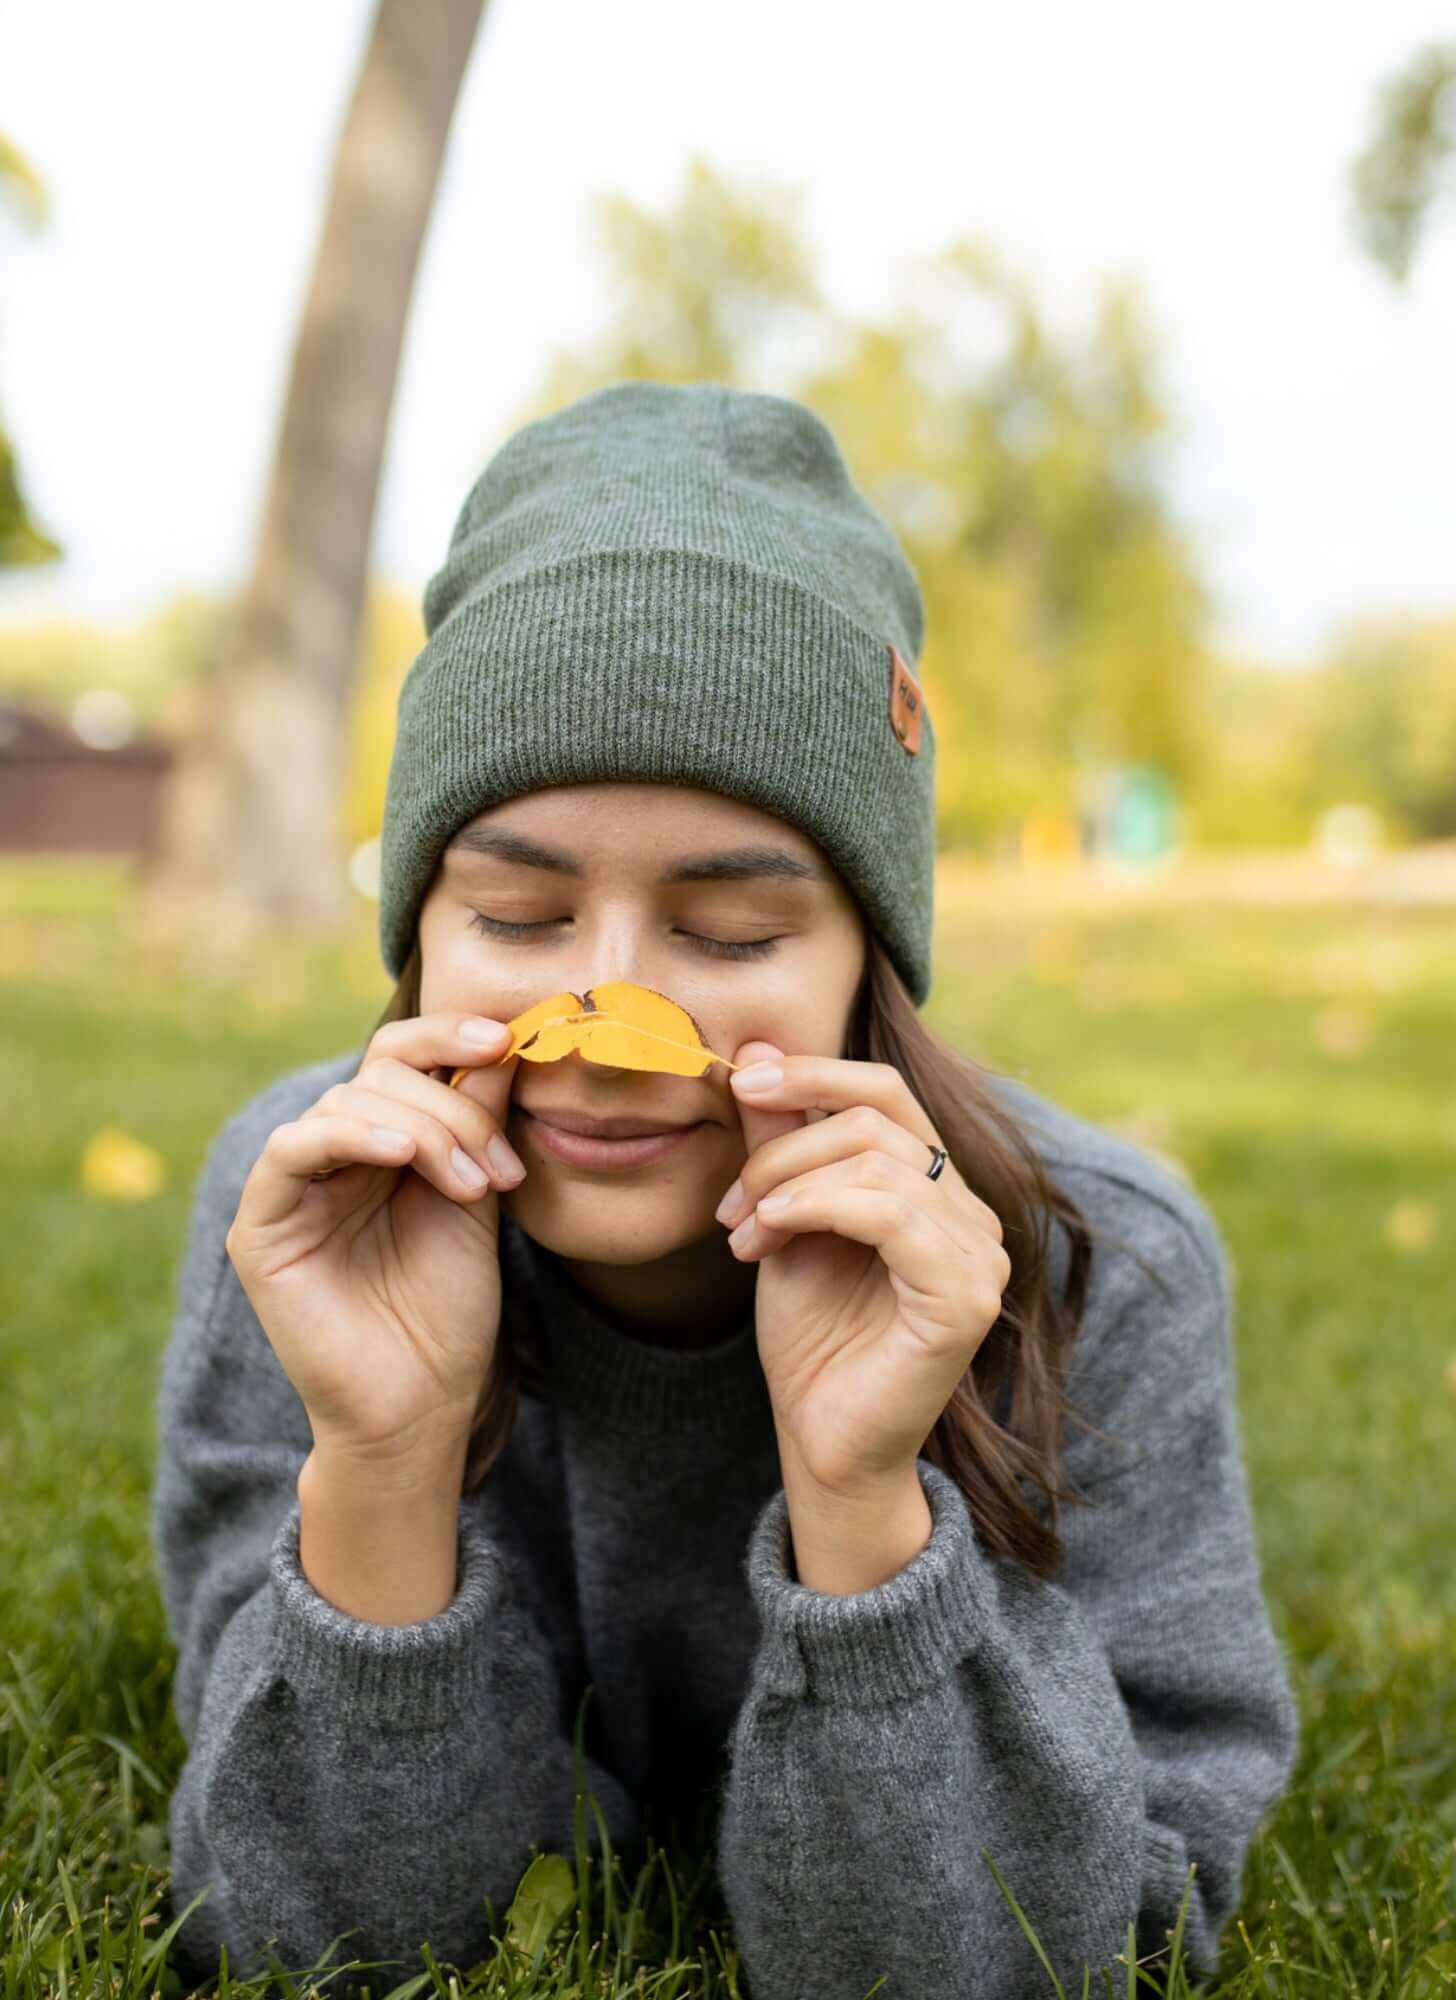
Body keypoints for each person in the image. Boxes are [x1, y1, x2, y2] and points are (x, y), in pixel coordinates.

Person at [151, 379, 1300, 1999]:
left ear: (866, 968)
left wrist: (865, 1507)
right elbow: (297, 1938)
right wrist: (385, 1462)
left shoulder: (1108, 1260)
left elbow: (1064, 1942)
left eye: (734, 935)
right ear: (419, 933)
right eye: (518, 916)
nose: (615, 1031)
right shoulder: (310, 1215)